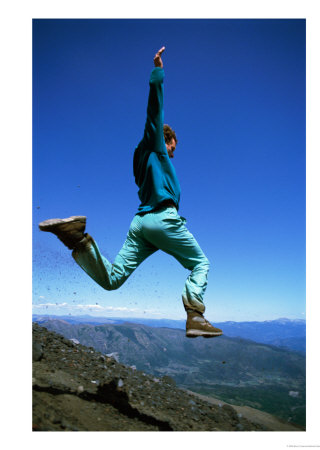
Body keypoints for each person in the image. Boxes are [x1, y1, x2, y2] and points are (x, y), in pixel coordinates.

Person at [39, 47, 222, 338]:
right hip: (162, 219)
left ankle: (76, 237)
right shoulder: (155, 146)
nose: (174, 151)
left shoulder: (140, 161)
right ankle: (196, 316)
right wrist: (157, 72)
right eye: (174, 145)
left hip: (141, 226)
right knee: (201, 263)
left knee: (113, 280)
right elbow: (155, 110)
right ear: (168, 139)